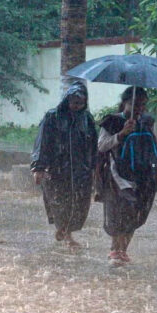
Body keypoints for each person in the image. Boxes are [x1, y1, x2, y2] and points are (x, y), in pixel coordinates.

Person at [97, 87, 157, 265]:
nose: (139, 108)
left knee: (137, 212)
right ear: (125, 102)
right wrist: (121, 134)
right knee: (120, 211)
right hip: (118, 175)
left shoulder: (148, 122)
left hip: (144, 176)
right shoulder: (112, 121)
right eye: (135, 104)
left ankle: (123, 250)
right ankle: (114, 249)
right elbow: (102, 146)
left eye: (142, 104)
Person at [31, 80, 97, 247]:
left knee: (79, 202)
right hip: (56, 168)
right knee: (59, 201)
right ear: (67, 100)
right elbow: (42, 142)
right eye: (74, 102)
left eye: (80, 103)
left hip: (80, 170)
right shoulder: (53, 117)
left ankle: (66, 230)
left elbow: (93, 146)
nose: (76, 106)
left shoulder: (87, 119)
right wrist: (38, 167)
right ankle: (66, 234)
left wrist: (95, 167)